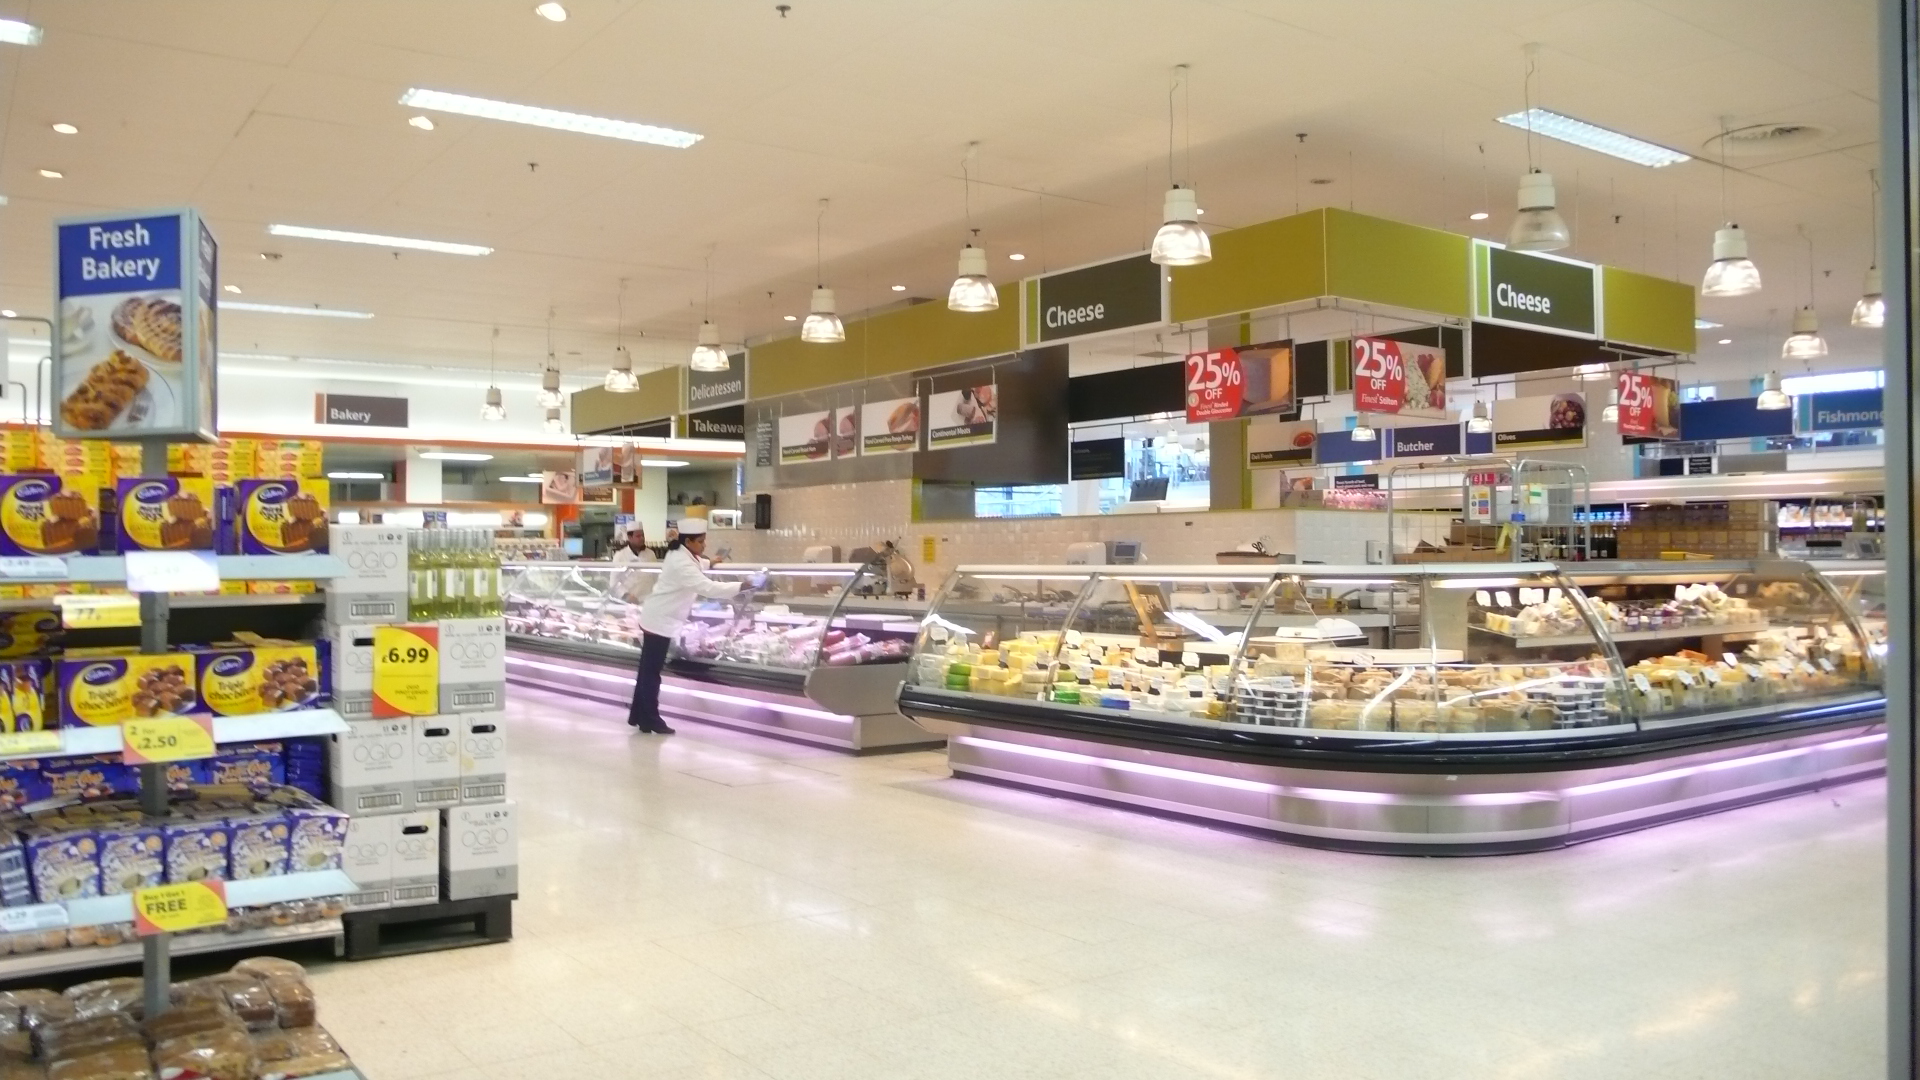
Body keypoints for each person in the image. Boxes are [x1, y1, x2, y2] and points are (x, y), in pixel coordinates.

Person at [627, 518, 739, 734]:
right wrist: (743, 586)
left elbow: (696, 565)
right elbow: (707, 587)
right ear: (688, 541)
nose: (704, 545)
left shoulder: (679, 554)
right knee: (651, 673)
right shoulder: (680, 560)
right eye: (701, 541)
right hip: (659, 620)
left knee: (647, 671)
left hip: (658, 617)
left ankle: (640, 716)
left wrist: (711, 561)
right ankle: (651, 719)